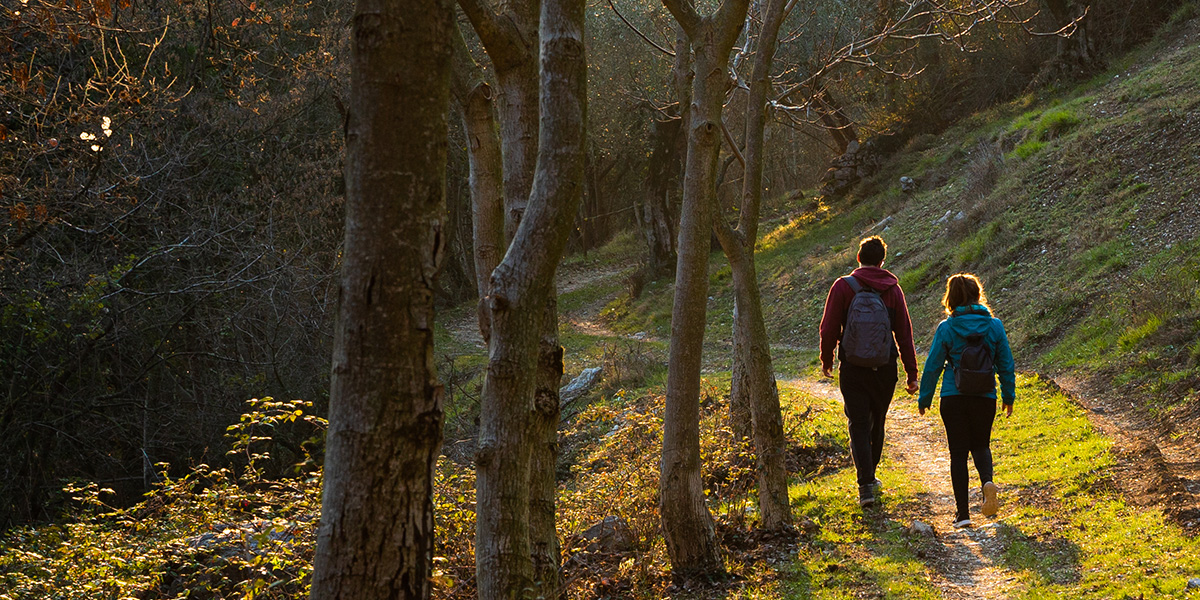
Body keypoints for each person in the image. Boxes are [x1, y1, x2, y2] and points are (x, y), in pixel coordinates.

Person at [820, 236, 919, 507]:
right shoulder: (893, 290)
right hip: (884, 368)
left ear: (858, 259)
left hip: (852, 368)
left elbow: (828, 328)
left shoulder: (843, 286)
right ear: (882, 261)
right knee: (878, 421)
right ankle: (870, 476)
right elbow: (904, 334)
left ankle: (865, 485)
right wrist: (911, 373)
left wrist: (826, 358)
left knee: (859, 424)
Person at [917, 273, 1015, 528]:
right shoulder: (994, 326)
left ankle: (963, 514)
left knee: (958, 454)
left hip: (953, 396)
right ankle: (987, 483)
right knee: (981, 445)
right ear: (977, 295)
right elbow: (1005, 363)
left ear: (951, 298)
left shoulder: (947, 327)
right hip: (985, 396)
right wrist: (1008, 395)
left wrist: (925, 397)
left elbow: (933, 365)